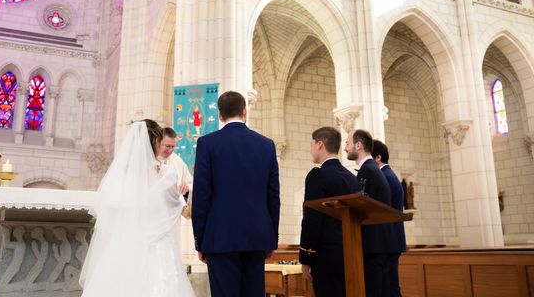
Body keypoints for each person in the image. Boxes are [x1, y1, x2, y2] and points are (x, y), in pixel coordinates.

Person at [80, 119, 195, 297]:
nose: (169, 150)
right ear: (156, 142)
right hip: (157, 244)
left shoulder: (120, 175)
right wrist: (183, 196)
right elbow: (176, 204)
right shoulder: (167, 173)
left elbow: (110, 207)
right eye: (166, 145)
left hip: (124, 243)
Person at [192, 91, 280, 297]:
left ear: (220, 116)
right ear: (244, 111)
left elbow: (201, 196)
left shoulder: (207, 143)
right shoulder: (266, 145)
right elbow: (273, 195)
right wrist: (271, 239)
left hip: (219, 237)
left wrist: (200, 240)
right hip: (256, 236)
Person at [299, 126, 359, 297]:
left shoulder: (317, 176)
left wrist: (306, 258)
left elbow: (312, 220)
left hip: (325, 258)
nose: (310, 149)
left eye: (311, 144)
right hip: (350, 256)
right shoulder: (351, 178)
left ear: (319, 145)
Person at [345, 129, 397, 297]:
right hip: (379, 244)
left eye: (347, 143)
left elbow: (361, 207)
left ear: (358, 145)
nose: (345, 148)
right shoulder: (371, 169)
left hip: (374, 245)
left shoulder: (368, 171)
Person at [372, 140, 407, 297]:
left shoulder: (385, 177)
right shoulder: (388, 175)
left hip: (388, 240)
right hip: (391, 239)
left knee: (389, 288)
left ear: (378, 157)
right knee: (389, 287)